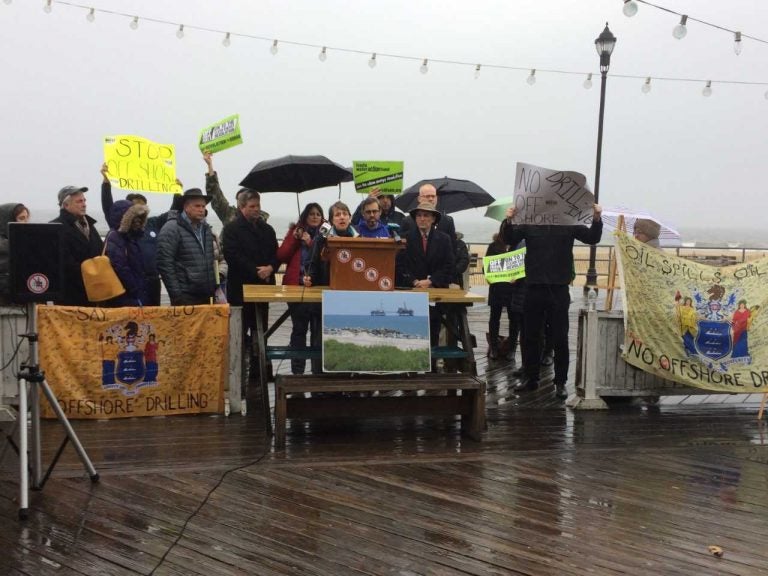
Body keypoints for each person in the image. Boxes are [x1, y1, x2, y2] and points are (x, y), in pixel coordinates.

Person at [501, 203, 603, 399]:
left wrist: (597, 218)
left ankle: (560, 382)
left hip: (558, 288)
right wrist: (509, 219)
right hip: (534, 287)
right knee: (530, 337)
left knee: (560, 338)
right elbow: (510, 238)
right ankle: (531, 379)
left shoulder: (568, 223)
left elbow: (592, 238)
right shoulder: (530, 223)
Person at [100, 163, 178, 306]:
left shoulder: (153, 223)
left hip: (152, 279)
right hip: (130, 285)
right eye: (135, 206)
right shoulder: (119, 229)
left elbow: (173, 212)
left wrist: (177, 192)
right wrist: (106, 182)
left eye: (142, 206)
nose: (139, 210)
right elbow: (108, 207)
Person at [222, 189, 279, 377]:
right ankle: (238, 374)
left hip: (263, 291)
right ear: (241, 207)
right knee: (239, 334)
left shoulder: (267, 230)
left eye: (258, 206)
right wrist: (257, 271)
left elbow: (276, 254)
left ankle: (259, 371)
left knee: (261, 332)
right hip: (240, 291)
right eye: (252, 206)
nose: (256, 210)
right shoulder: (231, 229)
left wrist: (271, 268)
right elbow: (232, 256)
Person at [396, 202, 455, 344]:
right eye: (419, 215)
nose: (422, 219)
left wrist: (431, 281)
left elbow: (449, 266)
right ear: (415, 218)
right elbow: (399, 266)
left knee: (433, 332)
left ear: (433, 219)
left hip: (435, 294)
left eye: (426, 215)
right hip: (411, 294)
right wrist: (414, 281)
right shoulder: (405, 238)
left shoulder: (444, 239)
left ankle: (433, 365)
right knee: (410, 333)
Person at [276, 203, 324, 374]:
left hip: (317, 290)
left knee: (317, 332)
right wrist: (295, 237)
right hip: (296, 287)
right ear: (305, 216)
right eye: (311, 213)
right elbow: (282, 255)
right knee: (299, 330)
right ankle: (297, 371)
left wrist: (311, 243)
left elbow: (325, 260)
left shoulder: (325, 234)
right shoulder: (296, 231)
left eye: (318, 214)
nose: (315, 216)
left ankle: (317, 372)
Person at [157, 188, 216, 306]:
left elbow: (211, 259)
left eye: (203, 207)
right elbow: (164, 263)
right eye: (197, 206)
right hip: (185, 296)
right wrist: (177, 295)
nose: (201, 210)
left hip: (206, 294)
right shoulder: (171, 228)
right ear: (186, 207)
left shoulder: (206, 229)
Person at [51, 185, 104, 306]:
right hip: (71, 295)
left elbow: (100, 252)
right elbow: (62, 262)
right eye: (79, 201)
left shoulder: (90, 225)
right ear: (66, 205)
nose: (84, 204)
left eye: (84, 200)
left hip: (95, 291)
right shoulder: (56, 227)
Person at [485, 230, 525, 362]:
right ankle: (494, 348)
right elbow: (486, 267)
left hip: (513, 289)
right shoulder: (493, 246)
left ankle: (512, 348)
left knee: (514, 320)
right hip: (497, 288)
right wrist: (488, 276)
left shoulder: (520, 246)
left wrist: (518, 278)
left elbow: (525, 266)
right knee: (494, 318)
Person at [103, 200, 149, 307]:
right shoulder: (116, 237)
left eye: (139, 218)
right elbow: (121, 267)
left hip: (135, 293)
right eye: (134, 218)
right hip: (124, 295)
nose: (137, 221)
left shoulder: (131, 238)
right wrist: (135, 291)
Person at [204, 151, 270, 225]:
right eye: (240, 199)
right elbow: (215, 193)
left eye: (256, 205)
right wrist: (210, 165)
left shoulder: (261, 221)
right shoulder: (228, 214)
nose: (242, 202)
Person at [304, 201, 359, 287]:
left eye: (345, 214)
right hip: (327, 286)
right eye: (337, 215)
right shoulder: (321, 238)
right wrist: (310, 278)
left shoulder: (359, 236)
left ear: (350, 218)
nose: (342, 217)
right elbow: (312, 262)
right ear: (331, 220)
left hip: (352, 286)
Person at [399, 183, 457, 252]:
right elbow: (401, 248)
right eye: (427, 196)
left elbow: (453, 247)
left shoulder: (447, 221)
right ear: (419, 199)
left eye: (433, 196)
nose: (431, 199)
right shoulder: (407, 221)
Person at [0, 203, 30, 304]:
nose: (25, 223)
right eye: (21, 218)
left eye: (27, 218)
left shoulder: (23, 241)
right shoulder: (5, 245)